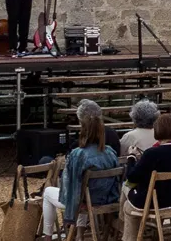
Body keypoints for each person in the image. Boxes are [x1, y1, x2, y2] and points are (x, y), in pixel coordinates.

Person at [43, 100, 120, 241]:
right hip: (107, 198)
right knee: (84, 189)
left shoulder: (78, 154)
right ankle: (79, 234)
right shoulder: (110, 152)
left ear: (83, 129)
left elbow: (70, 187)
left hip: (85, 200)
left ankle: (47, 237)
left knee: (49, 192)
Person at [122, 114, 171, 241]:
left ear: (157, 130)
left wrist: (132, 158)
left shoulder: (151, 153)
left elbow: (132, 177)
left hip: (154, 202)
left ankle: (128, 236)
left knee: (126, 197)